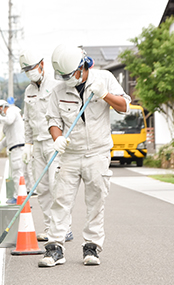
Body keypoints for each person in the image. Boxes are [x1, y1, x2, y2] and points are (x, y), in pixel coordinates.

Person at [38, 44, 131, 267]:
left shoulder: (105, 78)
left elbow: (124, 106)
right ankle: (55, 248)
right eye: (62, 76)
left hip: (97, 153)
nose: (66, 80)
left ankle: (92, 247)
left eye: (69, 75)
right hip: (69, 154)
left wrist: (104, 94)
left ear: (82, 67)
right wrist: (57, 138)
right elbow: (53, 120)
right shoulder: (59, 90)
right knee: (60, 200)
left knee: (96, 200)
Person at [19, 49, 74, 243]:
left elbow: (65, 115)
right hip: (37, 144)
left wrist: (65, 139)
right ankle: (51, 228)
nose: (29, 73)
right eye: (26, 70)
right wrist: (27, 143)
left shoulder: (57, 86)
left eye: (31, 68)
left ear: (42, 65)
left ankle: (65, 228)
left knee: (56, 186)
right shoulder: (28, 91)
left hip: (54, 142)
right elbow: (27, 120)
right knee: (41, 188)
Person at [0, 100, 25, 204]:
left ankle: (18, 197)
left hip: (18, 147)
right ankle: (19, 196)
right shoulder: (8, 118)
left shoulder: (11, 111)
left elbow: (9, 120)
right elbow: (7, 139)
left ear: (2, 107)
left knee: (17, 174)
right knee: (16, 173)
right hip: (14, 147)